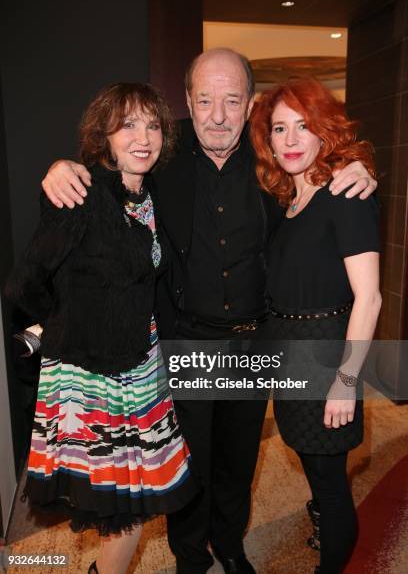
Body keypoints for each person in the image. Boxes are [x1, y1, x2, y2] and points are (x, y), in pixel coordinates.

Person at [41, 49, 378, 574]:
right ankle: (190, 557)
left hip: (254, 344)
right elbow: (113, 164)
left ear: (249, 108)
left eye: (232, 100)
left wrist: (357, 165)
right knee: (188, 464)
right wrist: (63, 167)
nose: (217, 115)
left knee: (239, 463)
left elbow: (320, 163)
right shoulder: (162, 152)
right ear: (188, 102)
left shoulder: (274, 160)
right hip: (186, 341)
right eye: (204, 100)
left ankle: (230, 546)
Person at [6, 82, 198, 574]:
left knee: (139, 496)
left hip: (143, 369)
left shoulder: (152, 191)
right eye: (128, 124)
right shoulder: (82, 192)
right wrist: (62, 328)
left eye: (153, 125)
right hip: (91, 377)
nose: (143, 136)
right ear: (104, 135)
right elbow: (25, 283)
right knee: (119, 503)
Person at [250, 77, 381, 573]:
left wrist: (346, 382)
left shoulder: (346, 193)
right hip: (290, 354)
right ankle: (324, 521)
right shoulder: (289, 201)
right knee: (316, 471)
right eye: (279, 128)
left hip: (327, 357)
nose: (289, 140)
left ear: (325, 130)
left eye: (303, 126)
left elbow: (369, 298)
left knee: (330, 483)